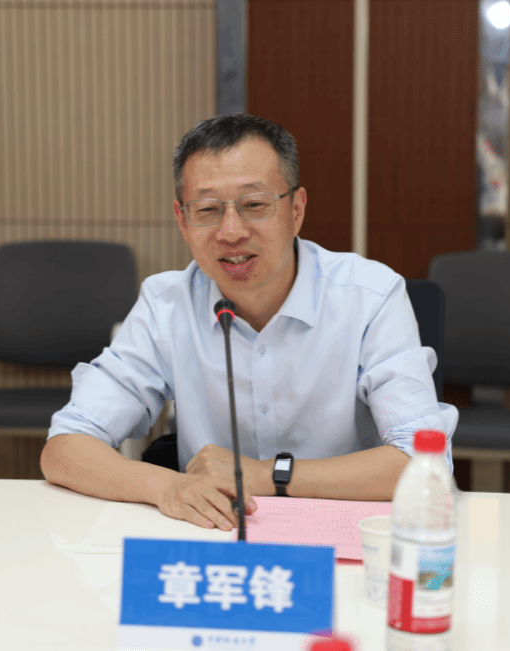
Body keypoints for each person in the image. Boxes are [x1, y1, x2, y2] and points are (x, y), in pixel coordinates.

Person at [41, 114, 458, 531]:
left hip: (344, 534)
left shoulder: (370, 297)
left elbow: (425, 462)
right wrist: (167, 487)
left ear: (296, 209)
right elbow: (64, 448)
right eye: (207, 209)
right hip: (215, 532)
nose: (231, 231)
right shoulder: (166, 304)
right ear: (182, 221)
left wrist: (263, 475)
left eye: (254, 205)